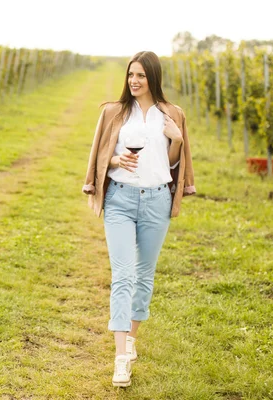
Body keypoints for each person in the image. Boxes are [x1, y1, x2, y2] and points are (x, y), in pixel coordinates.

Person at [82, 51, 195, 387]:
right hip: (120, 198)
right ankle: (120, 359)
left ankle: (131, 338)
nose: (134, 81)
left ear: (153, 78)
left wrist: (176, 139)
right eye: (131, 75)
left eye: (141, 76)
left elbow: (172, 162)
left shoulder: (172, 114)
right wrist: (115, 161)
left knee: (144, 275)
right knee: (123, 275)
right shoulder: (114, 112)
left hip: (156, 200)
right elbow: (102, 154)